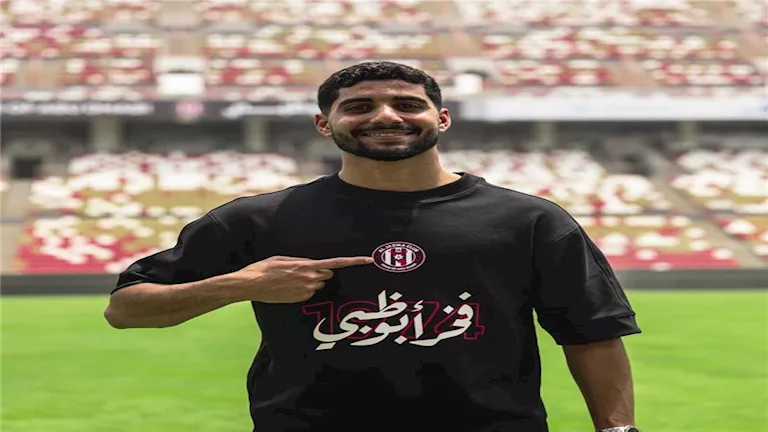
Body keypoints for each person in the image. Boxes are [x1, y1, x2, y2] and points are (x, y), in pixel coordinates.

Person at [104, 61, 642, 432]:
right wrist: (240, 285)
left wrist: (618, 430)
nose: (385, 116)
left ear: (442, 119)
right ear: (325, 124)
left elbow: (592, 334)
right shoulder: (259, 218)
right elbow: (126, 309)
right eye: (359, 106)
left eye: (407, 104)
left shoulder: (529, 219)